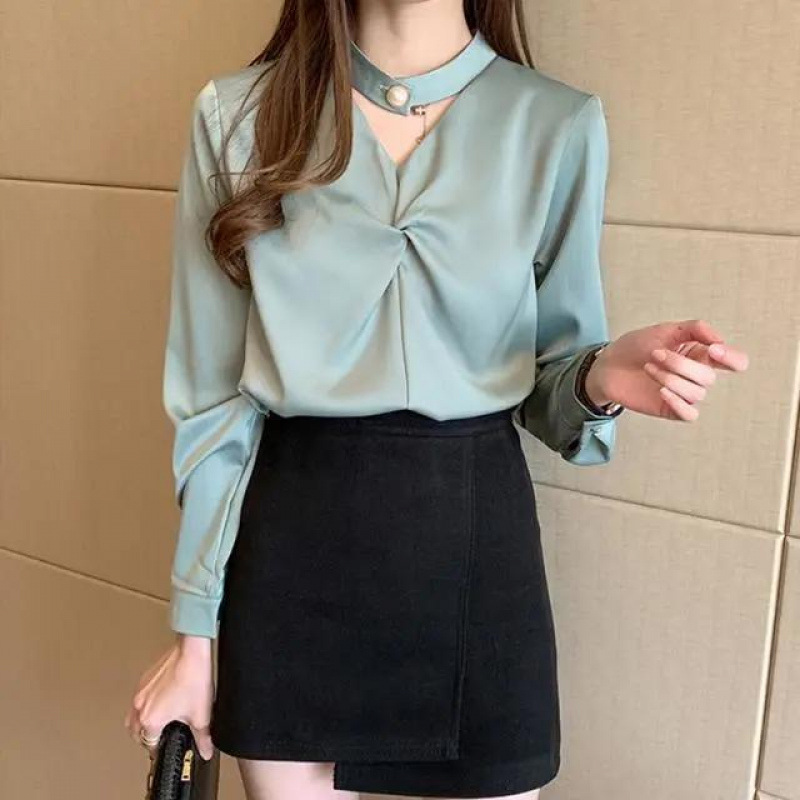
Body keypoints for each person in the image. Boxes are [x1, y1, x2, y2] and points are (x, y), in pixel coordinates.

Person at [124, 1, 749, 798]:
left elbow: (550, 382)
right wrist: (196, 636)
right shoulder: (237, 115)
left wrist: (596, 380)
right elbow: (213, 402)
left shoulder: (555, 123)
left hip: (478, 550)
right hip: (293, 554)